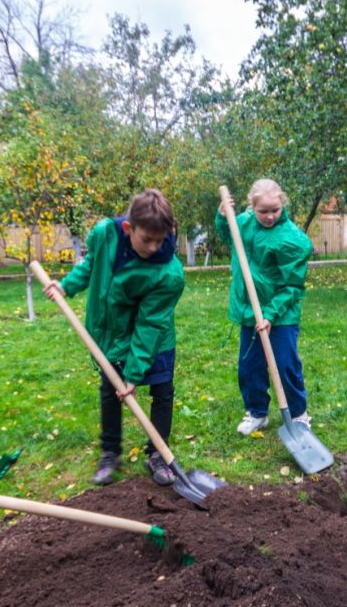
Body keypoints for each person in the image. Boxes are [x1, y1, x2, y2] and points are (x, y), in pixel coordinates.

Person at [42, 189, 185, 487]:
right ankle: (110, 452)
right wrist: (67, 286)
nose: (155, 246)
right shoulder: (106, 234)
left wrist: (134, 374)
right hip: (111, 332)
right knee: (110, 390)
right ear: (127, 228)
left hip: (152, 339)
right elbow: (92, 265)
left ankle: (159, 453)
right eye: (147, 239)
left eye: (161, 239)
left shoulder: (168, 273)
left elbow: (150, 324)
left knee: (161, 389)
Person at [215, 179, 314, 435]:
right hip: (250, 310)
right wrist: (222, 216)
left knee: (284, 364)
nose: (270, 216)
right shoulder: (245, 222)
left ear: (282, 204)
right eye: (263, 211)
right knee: (249, 365)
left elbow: (292, 286)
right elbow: (228, 235)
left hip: (281, 314)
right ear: (252, 206)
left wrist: (270, 314)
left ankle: (299, 414)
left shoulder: (291, 239)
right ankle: (257, 412)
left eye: (275, 210)